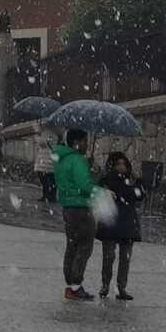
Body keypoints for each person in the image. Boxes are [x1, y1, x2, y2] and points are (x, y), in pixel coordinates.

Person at [52, 128, 98, 301]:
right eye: (85, 141)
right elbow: (85, 186)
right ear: (77, 142)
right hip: (81, 208)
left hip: (68, 208)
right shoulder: (78, 160)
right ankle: (76, 285)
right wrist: (100, 190)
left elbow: (69, 180)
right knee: (84, 246)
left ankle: (70, 284)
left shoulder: (62, 159)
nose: (87, 144)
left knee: (72, 245)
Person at [97, 152, 144, 301]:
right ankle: (105, 285)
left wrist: (136, 184)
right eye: (118, 164)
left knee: (125, 258)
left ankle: (121, 287)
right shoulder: (106, 180)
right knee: (109, 256)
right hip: (111, 222)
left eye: (124, 164)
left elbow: (139, 195)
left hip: (128, 223)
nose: (121, 167)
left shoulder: (133, 179)